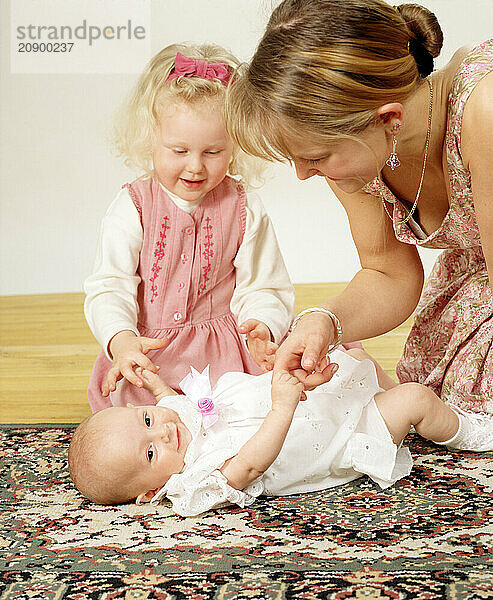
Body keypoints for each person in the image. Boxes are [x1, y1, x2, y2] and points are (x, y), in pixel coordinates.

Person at [225, 0, 493, 417]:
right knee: (435, 399)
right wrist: (324, 322)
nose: (302, 174)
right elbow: (389, 272)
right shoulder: (366, 151)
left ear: (388, 117)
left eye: (315, 156)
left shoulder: (485, 111)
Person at [84, 43, 294, 412]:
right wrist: (121, 341)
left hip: (227, 358)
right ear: (151, 140)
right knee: (141, 428)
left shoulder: (244, 207)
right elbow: (110, 286)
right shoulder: (132, 207)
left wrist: (263, 327)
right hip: (150, 357)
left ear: (235, 146)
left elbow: (264, 284)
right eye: (179, 151)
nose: (195, 167)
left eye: (212, 152)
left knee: (252, 414)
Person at [68, 347, 492, 517]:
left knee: (356, 356)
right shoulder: (195, 482)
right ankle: (471, 433)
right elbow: (251, 464)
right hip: (332, 438)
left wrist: (155, 383)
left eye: (145, 419)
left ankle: (398, 399)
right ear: (148, 493)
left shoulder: (172, 421)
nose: (161, 433)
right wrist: (284, 405)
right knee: (415, 399)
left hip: (317, 402)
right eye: (149, 455)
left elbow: (168, 403)